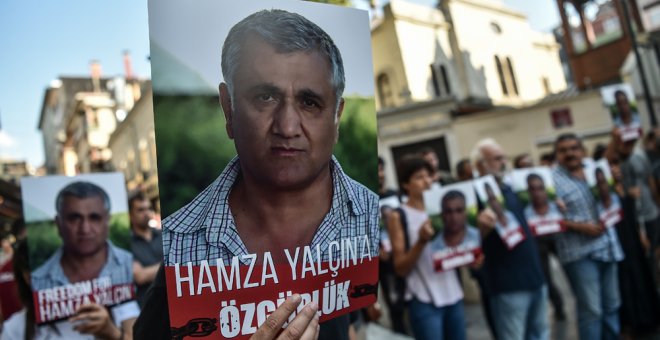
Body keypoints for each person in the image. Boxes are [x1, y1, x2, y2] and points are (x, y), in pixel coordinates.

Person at [140, 9, 379, 340]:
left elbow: (348, 319)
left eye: (310, 102)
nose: (288, 126)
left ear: (337, 116)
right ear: (228, 108)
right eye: (265, 97)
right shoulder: (179, 247)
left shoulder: (369, 217)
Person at [471, 138, 548, 340]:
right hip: (507, 286)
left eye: (504, 157)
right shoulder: (472, 198)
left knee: (540, 335)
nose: (503, 162)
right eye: (497, 158)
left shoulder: (511, 189)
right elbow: (467, 244)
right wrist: (481, 228)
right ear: (481, 165)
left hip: (535, 278)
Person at [552, 133, 624, 340]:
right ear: (557, 154)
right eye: (564, 150)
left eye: (574, 148)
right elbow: (545, 220)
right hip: (579, 254)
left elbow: (613, 198)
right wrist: (579, 226)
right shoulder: (551, 181)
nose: (570, 153)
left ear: (582, 150)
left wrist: (615, 183)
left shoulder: (596, 169)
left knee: (612, 305)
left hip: (608, 247)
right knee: (591, 311)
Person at [386, 155, 465, 340]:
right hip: (423, 299)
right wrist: (421, 242)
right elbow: (400, 268)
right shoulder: (398, 216)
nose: (427, 181)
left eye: (429, 176)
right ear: (406, 184)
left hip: (453, 293)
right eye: (419, 177)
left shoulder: (444, 210)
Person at [523, 174, 566, 321]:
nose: (537, 193)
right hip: (539, 243)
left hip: (558, 240)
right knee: (545, 276)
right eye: (532, 189)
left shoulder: (557, 206)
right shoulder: (526, 212)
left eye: (540, 188)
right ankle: (558, 305)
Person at [128, 192, 162, 307]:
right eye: (140, 210)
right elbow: (140, 276)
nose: (146, 213)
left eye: (148, 208)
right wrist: (171, 264)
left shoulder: (163, 235)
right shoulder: (128, 244)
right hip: (148, 309)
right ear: (130, 215)